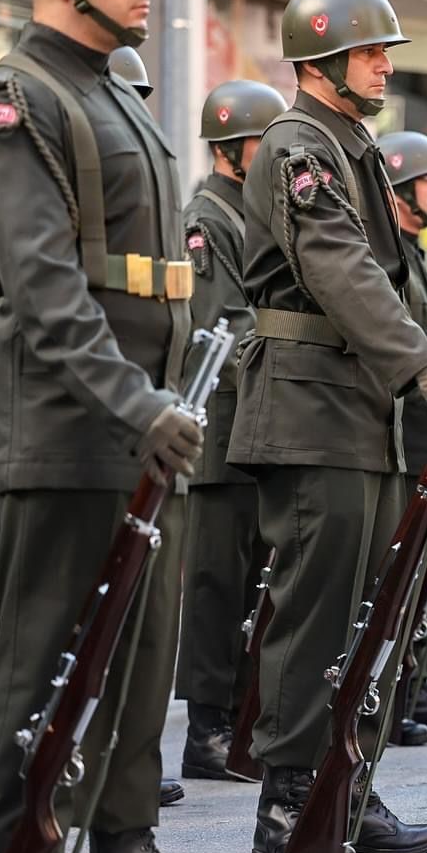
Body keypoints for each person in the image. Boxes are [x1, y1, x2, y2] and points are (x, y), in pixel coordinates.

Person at [0, 0, 245, 853]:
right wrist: (135, 402)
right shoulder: (22, 97)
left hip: (140, 426)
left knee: (135, 657)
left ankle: (124, 852)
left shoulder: (114, 88)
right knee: (49, 663)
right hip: (71, 425)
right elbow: (43, 285)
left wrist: (154, 406)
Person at [230, 0, 427, 853]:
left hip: (355, 406)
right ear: (322, 59)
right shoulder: (301, 149)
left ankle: (345, 780)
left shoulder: (352, 147)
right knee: (313, 613)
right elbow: (339, 269)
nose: (386, 63)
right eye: (373, 51)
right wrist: (422, 368)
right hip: (307, 405)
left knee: (365, 614)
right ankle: (290, 803)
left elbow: (395, 280)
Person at [175, 79, 286, 781]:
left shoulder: (249, 211)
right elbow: (224, 324)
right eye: (261, 143)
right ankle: (207, 725)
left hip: (262, 420)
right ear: (231, 147)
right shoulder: (207, 219)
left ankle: (240, 710)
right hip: (222, 425)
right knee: (218, 579)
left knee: (252, 578)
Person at [377, 128, 427, 744]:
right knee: (398, 578)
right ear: (401, 190)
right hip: (404, 439)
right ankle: (390, 690)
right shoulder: (390, 255)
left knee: (426, 577)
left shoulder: (419, 253)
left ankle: (413, 681)